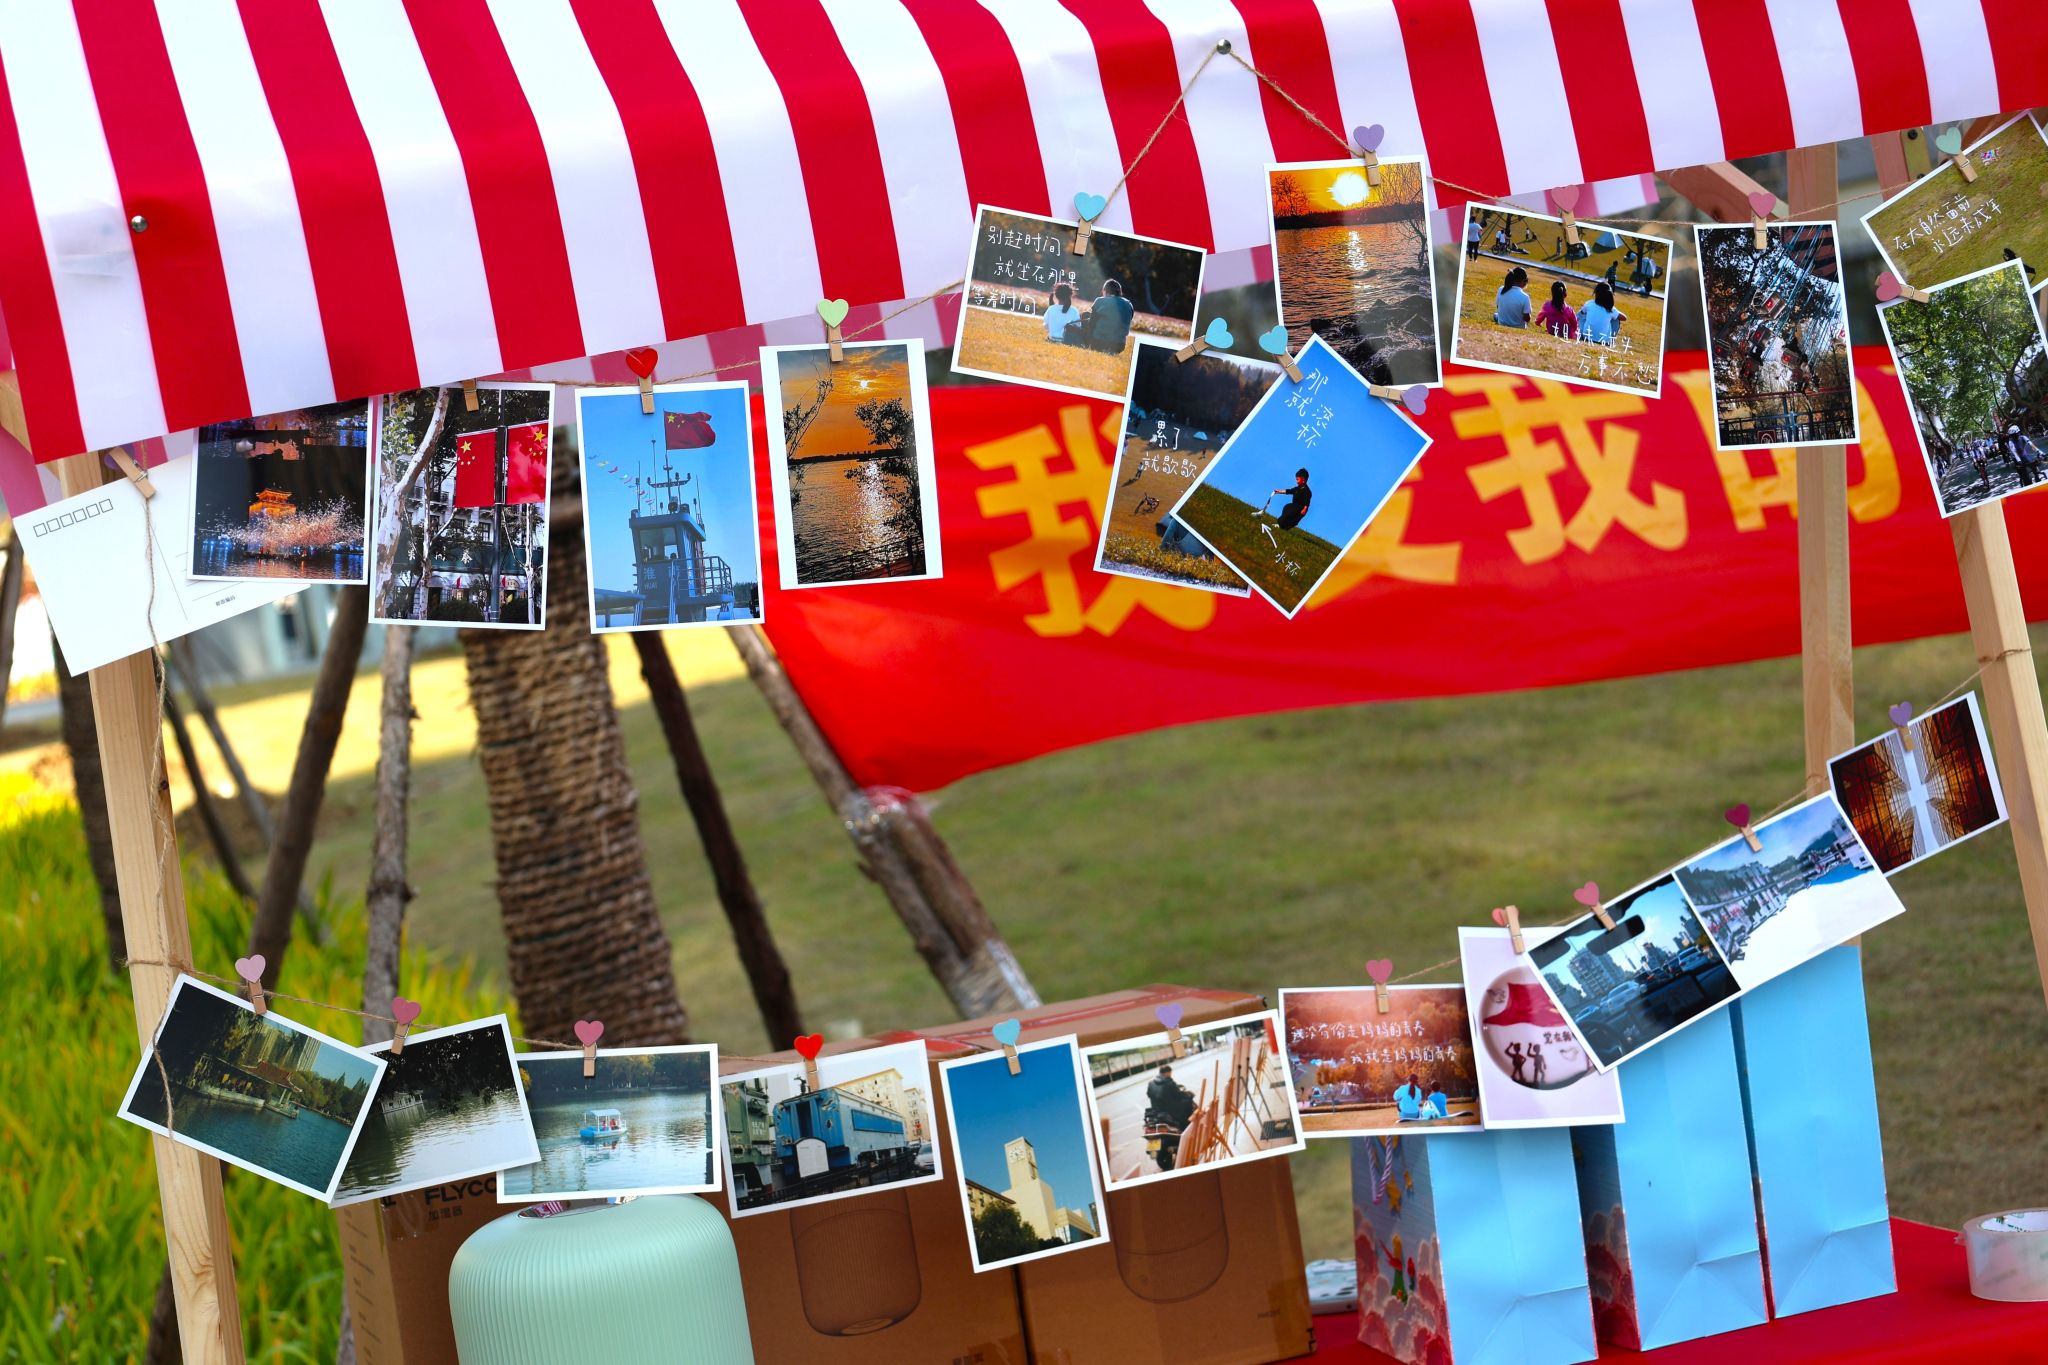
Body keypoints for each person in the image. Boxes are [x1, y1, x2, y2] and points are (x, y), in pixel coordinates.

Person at [1084, 278, 1135, 355]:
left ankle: (1085, 345)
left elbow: (1091, 323)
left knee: (1086, 315)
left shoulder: (1100, 301)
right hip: (1119, 345)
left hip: (1099, 342)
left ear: (1105, 290)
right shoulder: (1129, 304)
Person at [1146, 1064, 1196, 1130]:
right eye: (1170, 1073)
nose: (1170, 1075)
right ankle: (1185, 1126)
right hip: (1170, 1111)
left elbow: (1149, 1094)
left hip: (1156, 1110)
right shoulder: (1169, 1083)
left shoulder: (1151, 1083)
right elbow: (1178, 1095)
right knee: (1187, 1102)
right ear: (1167, 1073)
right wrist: (1189, 1095)